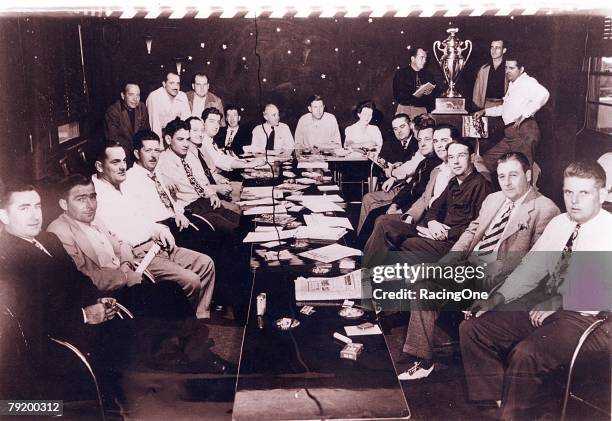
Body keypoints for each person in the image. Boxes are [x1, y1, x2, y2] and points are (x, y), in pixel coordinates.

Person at [0, 182, 233, 378]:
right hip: (72, 332)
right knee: (151, 321)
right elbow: (31, 320)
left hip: (97, 306)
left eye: (37, 206)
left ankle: (193, 353)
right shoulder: (10, 259)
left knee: (168, 290)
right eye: (23, 208)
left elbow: (78, 279)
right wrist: (86, 314)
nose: (34, 215)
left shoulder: (47, 240)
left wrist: (100, 299)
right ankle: (188, 361)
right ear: (3, 215)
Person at [460, 160, 611, 420]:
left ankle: (513, 415)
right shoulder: (560, 223)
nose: (573, 201)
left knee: (527, 354)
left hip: (590, 318)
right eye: (568, 192)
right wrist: (498, 297)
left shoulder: (608, 230)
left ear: (603, 194)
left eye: (583, 193)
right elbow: (531, 268)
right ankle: (498, 405)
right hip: (549, 306)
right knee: (474, 327)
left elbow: (597, 294)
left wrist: (556, 303)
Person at [396, 152, 560, 381]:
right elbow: (470, 234)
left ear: (529, 175)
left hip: (499, 277)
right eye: (502, 176)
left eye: (513, 175)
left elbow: (533, 265)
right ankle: (424, 360)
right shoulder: (494, 199)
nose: (507, 182)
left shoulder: (545, 209)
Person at [47, 174, 213, 319]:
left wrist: (126, 265)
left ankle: (190, 342)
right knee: (172, 293)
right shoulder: (59, 231)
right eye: (80, 199)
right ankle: (186, 344)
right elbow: (84, 276)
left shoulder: (94, 219)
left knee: (172, 291)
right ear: (63, 204)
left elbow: (121, 244)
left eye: (92, 197)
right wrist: (125, 277)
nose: (90, 205)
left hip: (126, 278)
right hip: (106, 295)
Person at [91, 142, 216, 319]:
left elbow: (142, 218)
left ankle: (195, 318)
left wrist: (159, 229)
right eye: (115, 162)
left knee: (206, 263)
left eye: (124, 161)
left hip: (155, 245)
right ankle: (180, 326)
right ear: (99, 166)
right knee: (190, 280)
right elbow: (114, 239)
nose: (122, 167)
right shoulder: (95, 196)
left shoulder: (124, 186)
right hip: (138, 255)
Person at [364, 140, 492, 264]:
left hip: (451, 242)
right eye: (451, 157)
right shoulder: (454, 181)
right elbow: (434, 208)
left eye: (461, 156)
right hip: (433, 230)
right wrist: (432, 223)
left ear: (472, 157)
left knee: (406, 244)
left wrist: (445, 234)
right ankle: (365, 274)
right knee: (384, 223)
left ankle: (374, 277)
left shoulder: (481, 185)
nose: (456, 162)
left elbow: (478, 227)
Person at [357, 121, 441, 247]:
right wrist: (395, 204)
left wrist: (402, 209)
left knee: (377, 216)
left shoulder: (437, 166)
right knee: (374, 212)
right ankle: (359, 250)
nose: (422, 143)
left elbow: (422, 198)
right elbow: (410, 188)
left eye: (427, 139)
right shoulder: (424, 162)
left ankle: (361, 253)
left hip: (416, 212)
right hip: (406, 202)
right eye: (420, 140)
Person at [156, 118, 240, 235]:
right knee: (232, 230)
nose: (186, 144)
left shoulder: (189, 155)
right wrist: (162, 177)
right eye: (180, 139)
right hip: (190, 208)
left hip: (206, 202)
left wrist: (211, 193)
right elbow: (150, 175)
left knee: (242, 221)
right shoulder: (162, 160)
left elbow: (201, 181)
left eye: (187, 139)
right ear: (168, 139)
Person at [474, 54, 550, 172]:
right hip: (511, 134)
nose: (507, 71)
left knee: (522, 171)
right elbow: (505, 108)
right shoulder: (513, 84)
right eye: (506, 67)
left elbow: (544, 94)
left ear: (521, 69)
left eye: (511, 68)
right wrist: (485, 111)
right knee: (486, 162)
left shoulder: (527, 81)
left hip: (524, 131)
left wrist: (525, 114)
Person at [357, 113, 421, 234]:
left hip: (406, 187)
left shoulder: (418, 143)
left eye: (402, 127)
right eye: (395, 129)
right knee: (367, 198)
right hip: (394, 184)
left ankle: (367, 241)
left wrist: (394, 172)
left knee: (373, 205)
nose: (399, 132)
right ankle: (360, 239)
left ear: (410, 126)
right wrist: (389, 169)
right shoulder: (391, 141)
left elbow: (411, 169)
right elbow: (381, 163)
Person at [193, 108, 264, 173]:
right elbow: (219, 160)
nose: (216, 126)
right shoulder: (201, 141)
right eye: (212, 121)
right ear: (202, 122)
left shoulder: (210, 139)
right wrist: (247, 165)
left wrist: (245, 163)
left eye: (218, 122)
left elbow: (222, 156)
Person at [104, 81, 150, 155]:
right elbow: (114, 138)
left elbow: (146, 131)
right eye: (131, 95)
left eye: (138, 95)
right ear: (123, 96)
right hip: (120, 151)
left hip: (138, 150)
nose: (135, 99)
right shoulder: (113, 111)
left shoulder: (142, 107)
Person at [393, 47, 437, 118]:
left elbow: (433, 97)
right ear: (413, 59)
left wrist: (429, 92)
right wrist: (417, 92)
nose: (424, 61)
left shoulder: (429, 75)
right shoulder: (401, 73)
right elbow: (398, 95)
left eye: (425, 58)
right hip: (404, 110)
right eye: (422, 58)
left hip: (422, 111)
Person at [146, 70, 191, 138]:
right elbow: (155, 125)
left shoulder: (182, 96)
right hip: (156, 135)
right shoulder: (154, 97)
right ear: (164, 84)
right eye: (172, 83)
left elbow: (187, 120)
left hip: (174, 135)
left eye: (178, 83)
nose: (176, 87)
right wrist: (159, 146)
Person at [472, 40, 509, 110]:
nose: (493, 50)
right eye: (492, 47)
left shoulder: (508, 68)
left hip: (504, 106)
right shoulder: (483, 69)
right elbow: (477, 93)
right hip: (486, 106)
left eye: (497, 48)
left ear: (504, 50)